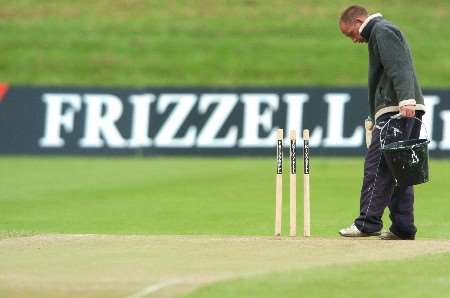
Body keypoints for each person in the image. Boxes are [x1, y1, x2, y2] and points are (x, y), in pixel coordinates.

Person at [338, 5, 426, 240]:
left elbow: (400, 67)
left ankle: (368, 223)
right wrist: (373, 116)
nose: (354, 40)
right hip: (402, 109)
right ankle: (403, 227)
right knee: (401, 170)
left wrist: (405, 98)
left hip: (398, 110)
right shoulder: (382, 31)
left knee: (378, 166)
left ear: (358, 21)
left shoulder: (381, 31)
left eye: (351, 34)